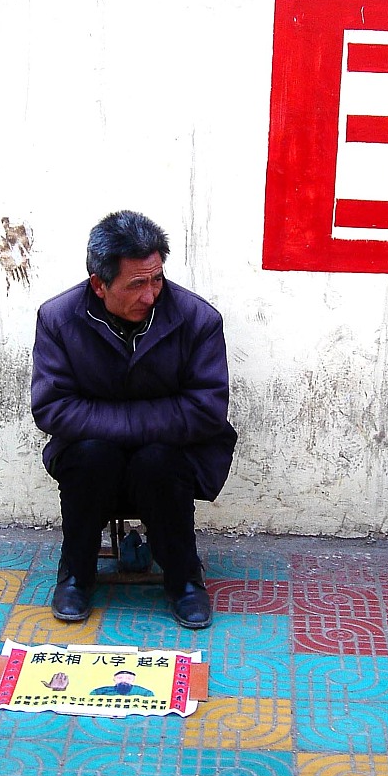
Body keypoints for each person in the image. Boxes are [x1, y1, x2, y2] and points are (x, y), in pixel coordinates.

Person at [31, 210, 238, 629]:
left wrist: (125, 428)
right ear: (99, 284)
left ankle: (184, 579)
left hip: (174, 452)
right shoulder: (58, 318)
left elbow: (206, 409)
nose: (151, 295)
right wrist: (131, 428)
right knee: (92, 456)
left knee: (157, 461)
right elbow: (52, 407)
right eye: (137, 284)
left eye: (156, 279)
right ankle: (76, 573)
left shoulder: (197, 319)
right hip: (89, 451)